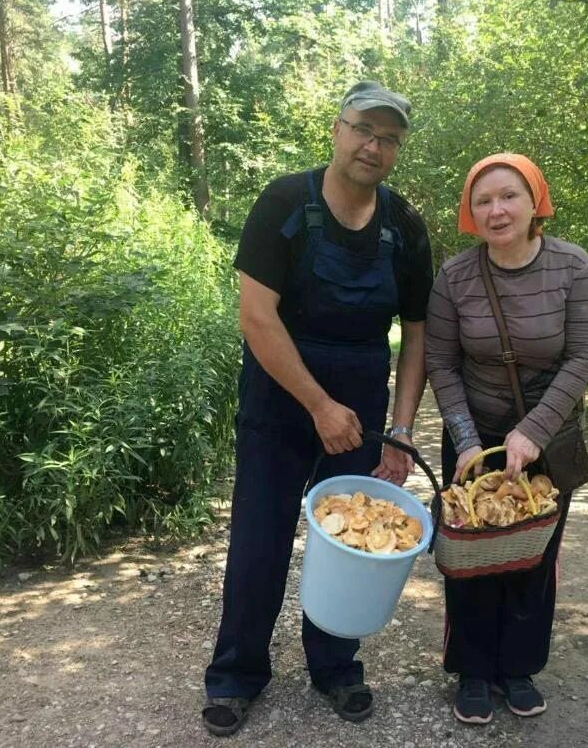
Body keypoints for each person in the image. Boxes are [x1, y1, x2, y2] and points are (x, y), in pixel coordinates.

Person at [201, 81, 433, 737]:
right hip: (279, 401)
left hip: (359, 405)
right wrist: (318, 404)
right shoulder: (284, 203)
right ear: (336, 129)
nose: (374, 145)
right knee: (258, 540)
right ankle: (236, 674)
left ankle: (335, 666)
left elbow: (417, 332)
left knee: (350, 541)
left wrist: (400, 428)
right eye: (364, 129)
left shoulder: (405, 226)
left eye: (388, 138)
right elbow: (256, 316)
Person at [425, 153, 588, 725]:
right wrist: (466, 438)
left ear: (534, 203)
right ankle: (473, 671)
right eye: (483, 201)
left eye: (508, 196)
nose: (496, 210)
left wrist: (532, 433)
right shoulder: (454, 277)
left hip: (547, 436)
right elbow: (441, 362)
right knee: (470, 554)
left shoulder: (574, 267)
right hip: (474, 437)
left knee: (532, 552)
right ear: (469, 212)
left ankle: (518, 668)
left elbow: (582, 357)